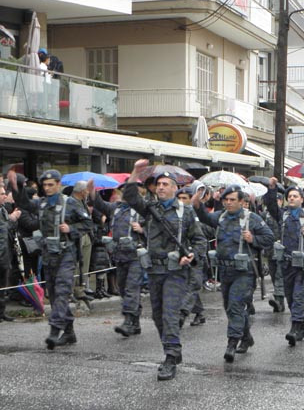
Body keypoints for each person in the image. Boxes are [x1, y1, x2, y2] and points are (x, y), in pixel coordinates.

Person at [123, 159, 207, 381]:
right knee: (158, 316)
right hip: (154, 270)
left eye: (165, 184)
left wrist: (192, 255)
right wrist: (135, 172)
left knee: (170, 314)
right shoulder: (150, 209)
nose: (160, 187)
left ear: (175, 188)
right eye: (158, 184)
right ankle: (172, 350)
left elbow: (200, 240)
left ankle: (170, 357)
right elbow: (131, 197)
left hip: (175, 271)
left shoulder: (185, 213)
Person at [9, 169, 93, 349]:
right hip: (48, 255)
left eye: (51, 185)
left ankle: (54, 331)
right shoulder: (42, 204)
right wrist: (14, 187)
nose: (47, 188)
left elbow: (88, 223)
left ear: (58, 184)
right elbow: (23, 202)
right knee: (55, 297)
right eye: (45, 185)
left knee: (63, 292)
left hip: (66, 255)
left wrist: (71, 229)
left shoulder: (70, 203)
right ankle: (69, 332)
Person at [192, 184, 274, 363]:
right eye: (226, 200)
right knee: (230, 307)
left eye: (232, 200)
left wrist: (253, 239)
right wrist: (197, 200)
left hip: (244, 272)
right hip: (225, 271)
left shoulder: (251, 218)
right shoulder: (221, 217)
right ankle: (246, 337)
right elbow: (204, 217)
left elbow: (269, 237)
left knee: (236, 306)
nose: (228, 203)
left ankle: (232, 342)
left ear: (241, 202)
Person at [265, 177, 304, 346]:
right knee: (290, 298)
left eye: (295, 196)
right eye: (289, 196)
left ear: (302, 199)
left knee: (299, 297)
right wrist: (272, 189)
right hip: (286, 264)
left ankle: (295, 328)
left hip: (303, 266)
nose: (292, 198)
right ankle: (303, 325)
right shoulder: (283, 215)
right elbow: (271, 206)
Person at [88, 180, 146, 337]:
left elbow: (156, 228)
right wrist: (93, 191)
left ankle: (128, 321)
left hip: (136, 255)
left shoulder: (143, 209)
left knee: (132, 288)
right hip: (119, 256)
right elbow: (100, 204)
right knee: (122, 288)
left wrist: (142, 229)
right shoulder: (116, 208)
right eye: (122, 191)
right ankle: (135, 322)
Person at [176, 186, 207, 327]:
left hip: (195, 254)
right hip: (179, 256)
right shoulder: (175, 214)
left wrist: (196, 253)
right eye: (179, 198)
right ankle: (199, 312)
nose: (182, 201)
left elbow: (205, 233)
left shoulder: (195, 213)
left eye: (185, 198)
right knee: (185, 286)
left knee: (193, 284)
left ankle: (182, 313)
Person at [0, 184, 20, 322]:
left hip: (5, 254)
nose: (5, 196)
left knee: (3, 285)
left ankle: (1, 312)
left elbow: (8, 228)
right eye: (2, 194)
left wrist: (13, 218)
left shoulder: (3, 210)